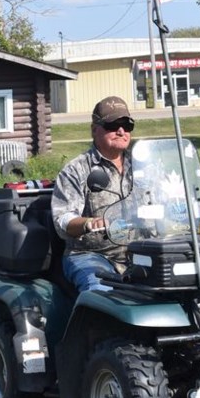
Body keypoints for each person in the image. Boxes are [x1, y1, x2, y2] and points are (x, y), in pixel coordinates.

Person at [51, 95, 135, 292]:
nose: (121, 130)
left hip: (141, 253)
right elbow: (63, 219)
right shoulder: (77, 169)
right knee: (100, 292)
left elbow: (167, 197)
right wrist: (90, 223)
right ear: (94, 129)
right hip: (91, 255)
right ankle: (92, 323)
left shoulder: (143, 165)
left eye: (126, 124)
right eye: (112, 124)